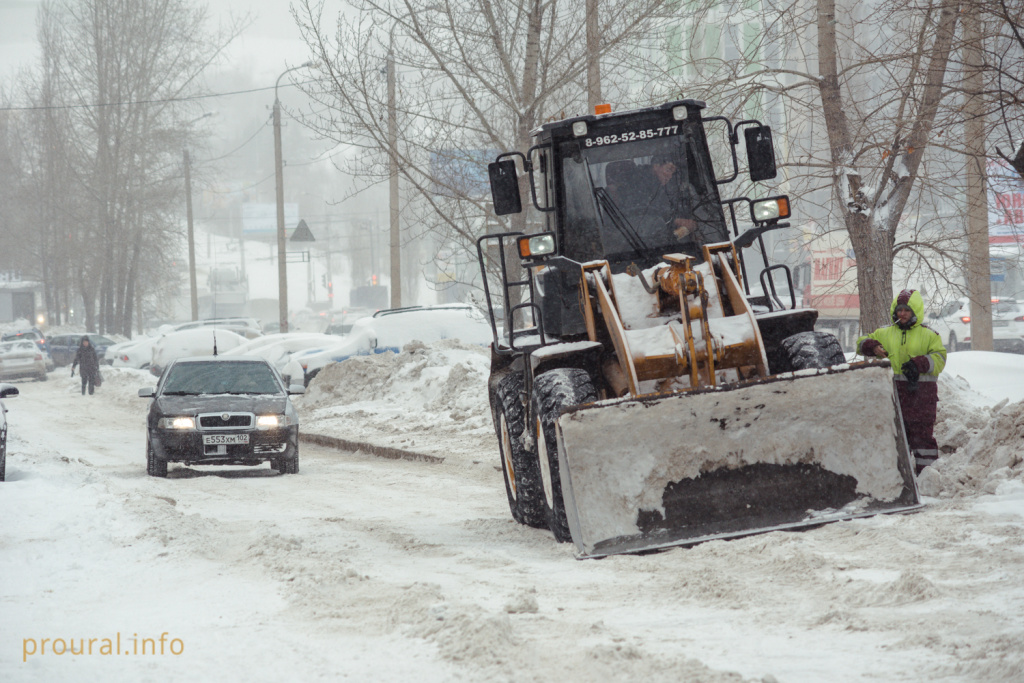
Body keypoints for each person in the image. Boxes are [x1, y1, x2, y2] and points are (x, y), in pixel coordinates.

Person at [856, 289, 947, 474]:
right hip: (894, 397)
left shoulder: (930, 335)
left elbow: (940, 359)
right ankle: (900, 480)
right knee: (895, 439)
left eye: (907, 310)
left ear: (915, 311)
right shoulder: (884, 333)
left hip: (922, 398)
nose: (902, 313)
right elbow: (860, 343)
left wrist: (919, 363)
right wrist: (872, 346)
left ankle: (927, 477)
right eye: (899, 310)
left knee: (923, 440)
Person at [637, 154, 696, 242]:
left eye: (672, 173)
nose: (670, 176)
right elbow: (646, 214)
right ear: (655, 166)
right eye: (668, 170)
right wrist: (677, 221)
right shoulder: (640, 185)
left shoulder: (666, 188)